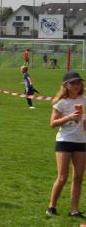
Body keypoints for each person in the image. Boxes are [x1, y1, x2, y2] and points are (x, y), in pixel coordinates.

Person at [46, 71, 86, 217]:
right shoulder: (61, 103)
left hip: (81, 141)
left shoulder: (84, 100)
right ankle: (51, 207)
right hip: (64, 140)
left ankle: (74, 210)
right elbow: (52, 123)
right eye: (73, 83)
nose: (77, 85)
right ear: (66, 85)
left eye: (79, 83)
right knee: (63, 177)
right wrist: (69, 117)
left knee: (79, 177)